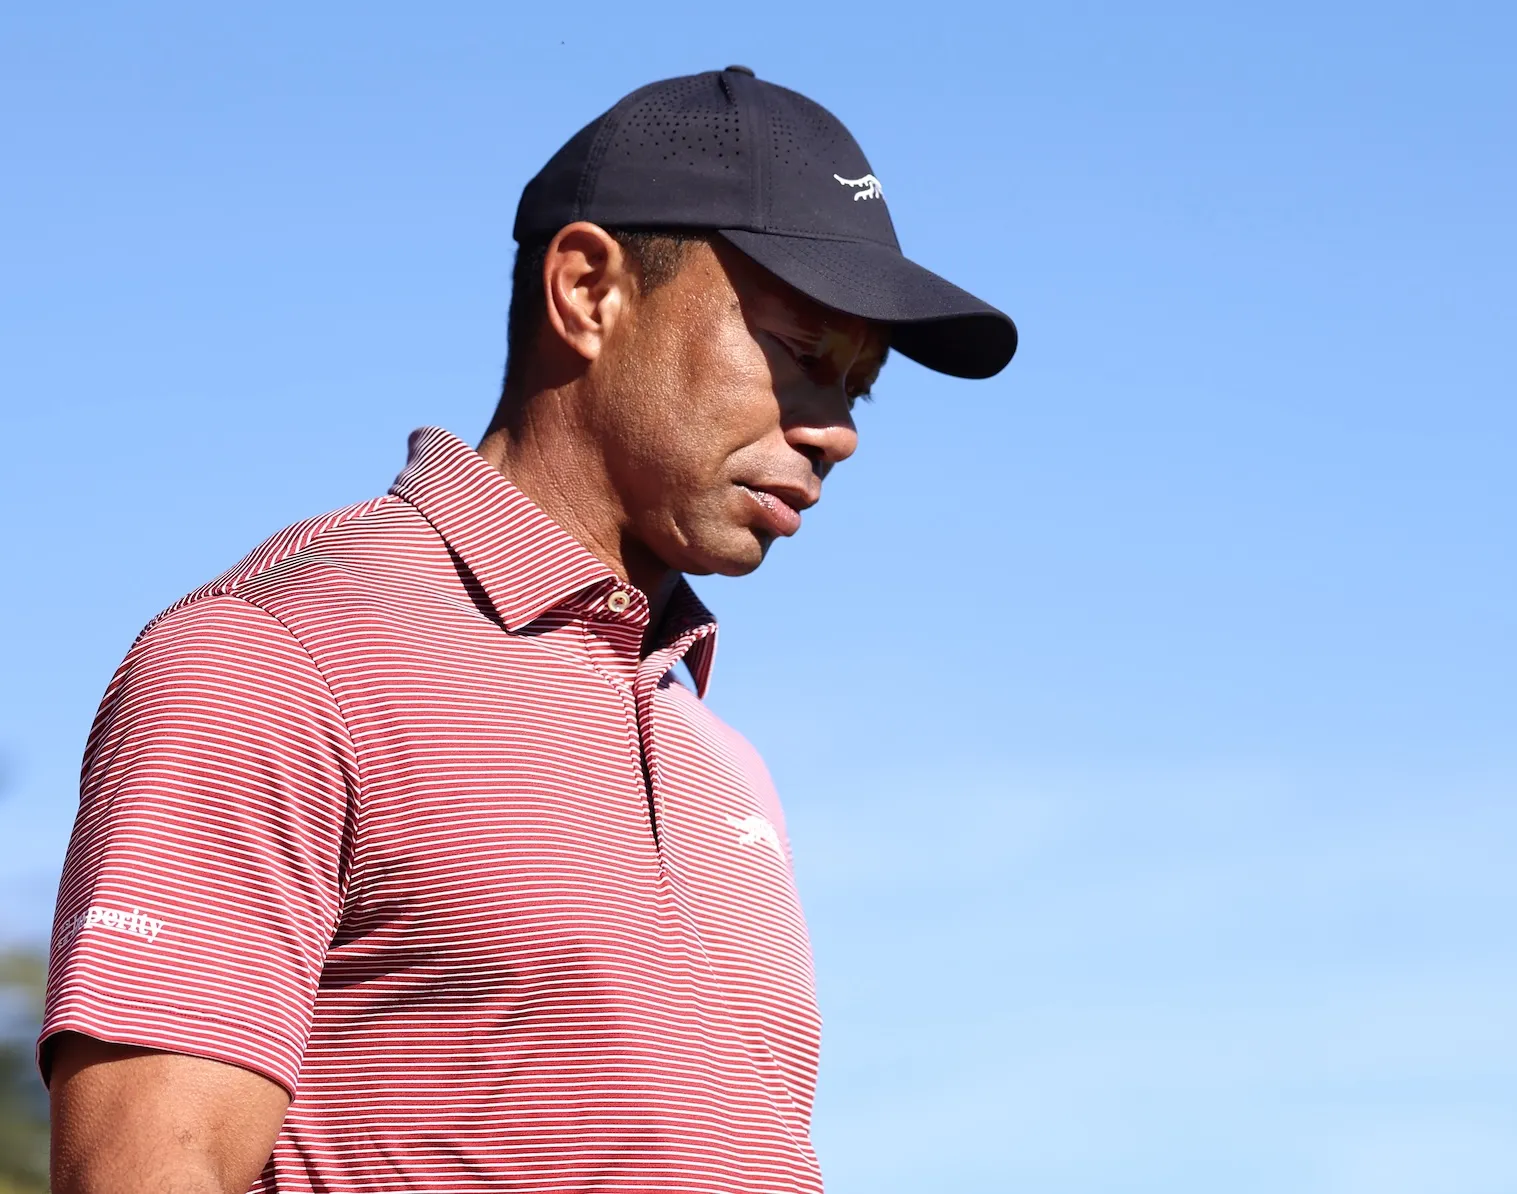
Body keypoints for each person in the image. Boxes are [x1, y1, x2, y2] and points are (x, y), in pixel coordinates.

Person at [38, 66, 1014, 1194]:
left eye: (861, 387)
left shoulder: (722, 764)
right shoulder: (274, 658)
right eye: (801, 351)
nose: (837, 433)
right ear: (588, 289)